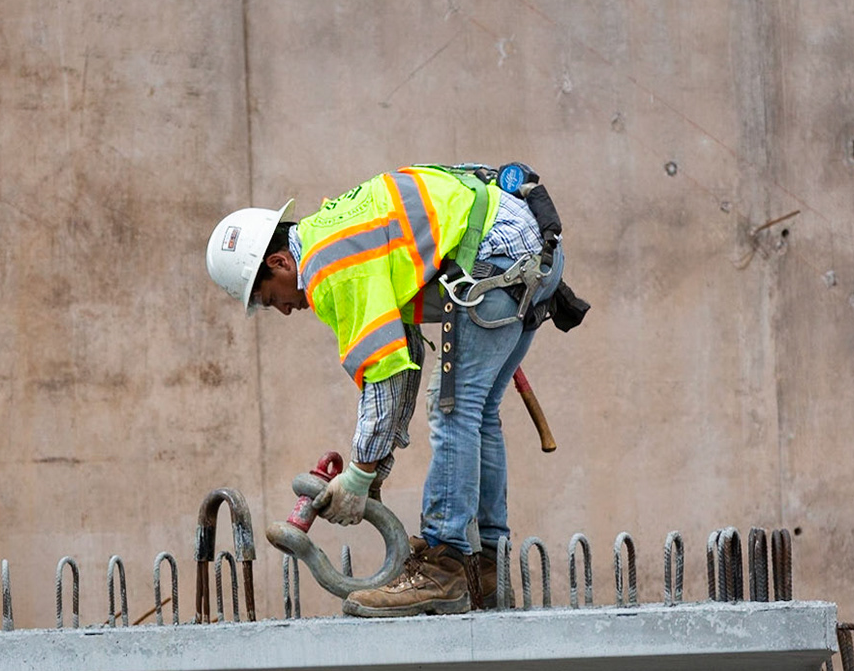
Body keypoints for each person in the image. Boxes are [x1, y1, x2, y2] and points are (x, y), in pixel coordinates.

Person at [205, 164, 582, 616]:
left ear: (280, 263)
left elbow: (384, 373)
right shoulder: (342, 231)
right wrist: (372, 470)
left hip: (498, 256)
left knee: (455, 409)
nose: (284, 311)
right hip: (526, 250)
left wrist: (361, 475)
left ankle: (445, 566)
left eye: (271, 298)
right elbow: (405, 360)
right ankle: (485, 564)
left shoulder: (332, 267)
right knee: (476, 412)